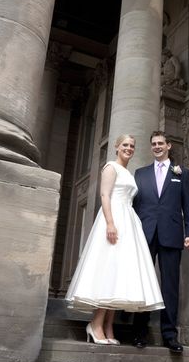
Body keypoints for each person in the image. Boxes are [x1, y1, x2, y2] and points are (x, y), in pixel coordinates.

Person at [65, 134, 164, 345]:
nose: (129, 148)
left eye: (132, 146)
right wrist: (110, 223)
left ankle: (108, 325)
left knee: (119, 273)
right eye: (125, 145)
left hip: (129, 222)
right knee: (110, 270)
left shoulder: (128, 172)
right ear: (116, 148)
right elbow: (104, 196)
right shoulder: (110, 167)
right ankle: (95, 324)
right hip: (115, 219)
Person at [132, 130, 189, 353]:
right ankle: (140, 332)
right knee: (143, 284)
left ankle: (170, 335)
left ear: (169, 146)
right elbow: (134, 207)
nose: (157, 147)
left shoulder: (181, 173)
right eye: (153, 144)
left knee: (170, 286)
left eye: (160, 143)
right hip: (145, 235)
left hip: (172, 234)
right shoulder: (140, 174)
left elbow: (187, 206)